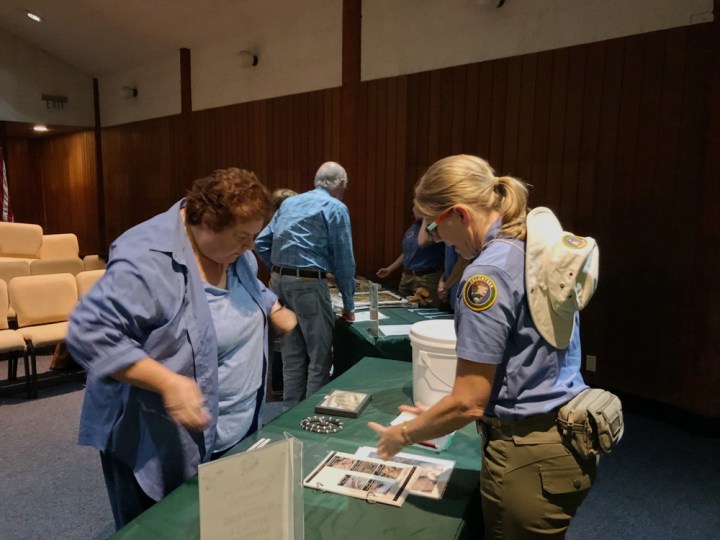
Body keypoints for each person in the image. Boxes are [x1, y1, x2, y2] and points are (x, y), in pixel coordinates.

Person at [369, 154, 599, 539]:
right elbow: (525, 360)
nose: (435, 238)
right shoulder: (529, 245)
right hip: (565, 438)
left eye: (434, 226)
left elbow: (468, 400)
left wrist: (404, 435)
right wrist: (437, 416)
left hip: (526, 454)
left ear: (459, 214)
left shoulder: (486, 273)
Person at [66, 167, 297, 530]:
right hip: (155, 439)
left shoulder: (234, 254)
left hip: (230, 429)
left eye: (254, 237)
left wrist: (272, 306)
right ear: (204, 222)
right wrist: (167, 382)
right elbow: (87, 330)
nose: (250, 247)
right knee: (161, 529)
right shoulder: (144, 257)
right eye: (242, 237)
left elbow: (249, 287)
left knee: (218, 527)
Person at [255, 161, 356, 410]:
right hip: (309, 285)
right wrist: (349, 304)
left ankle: (288, 413)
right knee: (319, 357)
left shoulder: (290, 203)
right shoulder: (336, 207)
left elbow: (261, 242)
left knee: (291, 355)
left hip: (278, 283)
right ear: (341, 185)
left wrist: (280, 269)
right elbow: (344, 260)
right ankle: (310, 416)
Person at [376, 208, 445, 307]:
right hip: (407, 276)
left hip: (426, 278)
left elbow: (423, 242)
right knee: (402, 308)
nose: (413, 209)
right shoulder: (414, 226)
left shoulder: (434, 224)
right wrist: (390, 269)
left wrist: (426, 217)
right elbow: (407, 253)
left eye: (417, 207)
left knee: (425, 310)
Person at [437, 244, 469, 311]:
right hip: (450, 293)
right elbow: (449, 265)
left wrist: (445, 287)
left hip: (460, 293)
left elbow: (464, 262)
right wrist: (442, 280)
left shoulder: (458, 235)